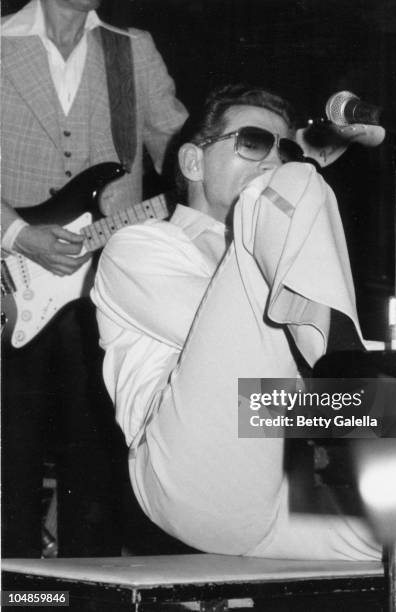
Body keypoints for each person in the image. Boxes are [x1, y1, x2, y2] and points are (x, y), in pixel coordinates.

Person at [92, 84, 396, 560]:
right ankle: (359, 394)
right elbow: (248, 349)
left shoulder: (277, 243)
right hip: (199, 473)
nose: (272, 160)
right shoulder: (138, 246)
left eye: (284, 148)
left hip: (286, 475)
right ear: (192, 162)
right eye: (252, 142)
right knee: (294, 185)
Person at [1, 0, 187, 558]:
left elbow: (184, 151)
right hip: (10, 283)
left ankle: (87, 597)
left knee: (99, 462)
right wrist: (15, 235)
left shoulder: (131, 48)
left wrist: (271, 152)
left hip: (107, 289)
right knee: (8, 459)